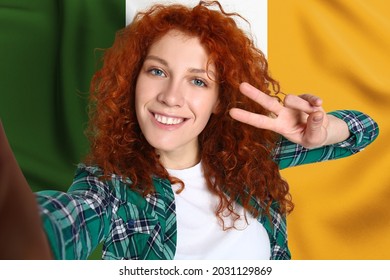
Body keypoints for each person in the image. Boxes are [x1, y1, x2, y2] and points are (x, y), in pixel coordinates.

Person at [0, 1, 379, 260]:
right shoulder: (112, 191)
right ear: (133, 81)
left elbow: (366, 129)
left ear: (218, 99)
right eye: (157, 71)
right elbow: (52, 225)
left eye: (197, 81)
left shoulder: (250, 158)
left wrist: (322, 131)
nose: (170, 96)